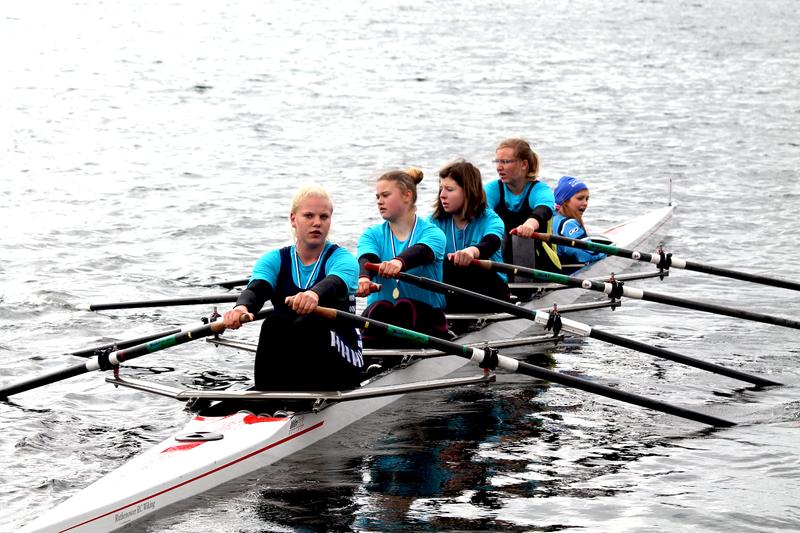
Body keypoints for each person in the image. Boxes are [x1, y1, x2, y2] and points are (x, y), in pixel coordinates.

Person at [222, 186, 363, 392]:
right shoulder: (274, 259)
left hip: (343, 359)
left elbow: (333, 283)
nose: (317, 223)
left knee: (310, 324)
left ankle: (294, 400)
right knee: (272, 325)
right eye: (309, 216)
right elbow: (258, 289)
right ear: (293, 219)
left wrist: (313, 295)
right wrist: (241, 308)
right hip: (299, 361)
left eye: (324, 217)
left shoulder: (344, 260)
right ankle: (267, 395)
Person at [356, 167, 448, 346]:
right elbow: (367, 259)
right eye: (377, 197)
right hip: (382, 320)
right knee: (378, 310)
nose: (379, 201)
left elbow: (421, 252)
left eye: (385, 195)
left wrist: (398, 262)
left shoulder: (433, 233)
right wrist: (364, 279)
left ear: (407, 195)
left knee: (406, 307)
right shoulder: (371, 234)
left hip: (425, 321)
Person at [428, 159, 510, 311]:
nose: (442, 195)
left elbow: (491, 243)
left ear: (468, 191)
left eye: (449, 189)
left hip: (491, 291)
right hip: (454, 289)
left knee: (468, 268)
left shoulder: (490, 219)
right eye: (441, 189)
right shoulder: (435, 222)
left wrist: (471, 252)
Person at [484, 138, 561, 273]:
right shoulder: (493, 189)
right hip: (503, 259)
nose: (499, 167)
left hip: (542, 264)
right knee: (497, 233)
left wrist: (529, 226)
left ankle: (525, 287)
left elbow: (543, 211)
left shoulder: (540, 190)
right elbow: (481, 211)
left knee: (521, 237)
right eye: (497, 162)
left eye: (505, 162)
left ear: (524, 164)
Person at [552, 175, 607, 273]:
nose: (585, 203)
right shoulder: (568, 224)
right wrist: (606, 254)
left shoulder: (551, 218)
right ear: (565, 201)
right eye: (580, 198)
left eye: (587, 199)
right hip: (569, 277)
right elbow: (588, 254)